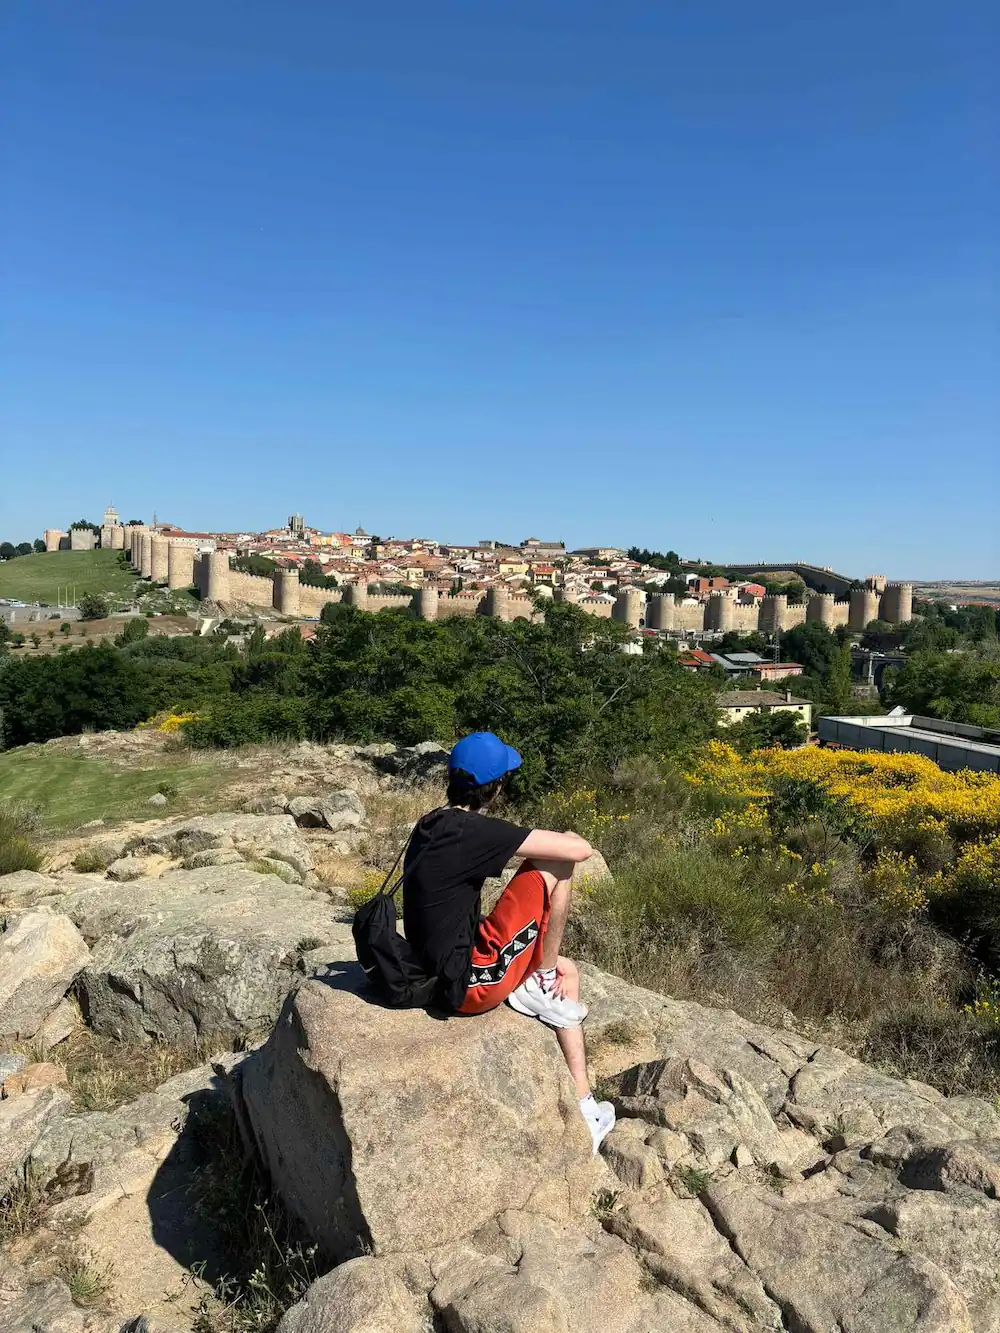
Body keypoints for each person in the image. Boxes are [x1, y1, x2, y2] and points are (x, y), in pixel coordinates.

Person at [403, 731, 616, 1153]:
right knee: (557, 863)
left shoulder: (432, 822)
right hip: (467, 985)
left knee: (568, 972)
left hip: (433, 967)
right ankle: (541, 981)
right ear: (495, 787)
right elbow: (579, 849)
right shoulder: (475, 831)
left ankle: (584, 1102)